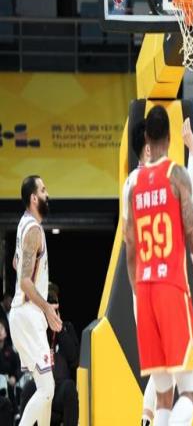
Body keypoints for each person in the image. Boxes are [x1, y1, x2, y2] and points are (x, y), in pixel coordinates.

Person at [125, 105, 193, 426]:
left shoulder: (133, 185)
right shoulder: (176, 175)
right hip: (171, 288)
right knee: (191, 392)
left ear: (148, 140)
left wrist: (139, 292)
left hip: (144, 292)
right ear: (168, 137)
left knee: (163, 396)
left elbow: (130, 247)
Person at [9, 175, 62, 426]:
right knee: (47, 389)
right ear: (33, 198)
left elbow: (16, 263)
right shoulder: (33, 230)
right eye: (43, 190)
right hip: (27, 313)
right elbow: (25, 282)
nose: (47, 194)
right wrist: (47, 309)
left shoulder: (24, 224)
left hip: (25, 313)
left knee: (46, 392)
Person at [20, 285, 79, 426]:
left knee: (69, 387)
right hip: (41, 386)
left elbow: (74, 359)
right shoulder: (37, 330)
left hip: (59, 390)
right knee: (28, 388)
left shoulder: (66, 328)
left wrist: (59, 328)